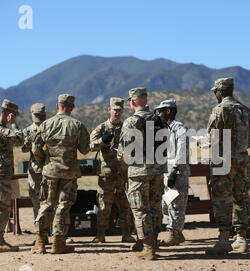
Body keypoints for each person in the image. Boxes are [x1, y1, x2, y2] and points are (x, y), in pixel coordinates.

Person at [31, 94, 90, 254]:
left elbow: (36, 149)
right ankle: (58, 242)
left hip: (50, 171)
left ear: (58, 106)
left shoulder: (46, 125)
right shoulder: (78, 125)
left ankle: (40, 242)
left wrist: (45, 161)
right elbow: (85, 150)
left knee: (46, 205)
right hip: (69, 173)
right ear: (71, 107)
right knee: (63, 207)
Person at [206, 78, 250, 255]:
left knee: (222, 199)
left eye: (215, 92)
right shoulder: (245, 110)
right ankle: (241, 238)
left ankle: (224, 238)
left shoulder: (219, 110)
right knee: (240, 197)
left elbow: (212, 137)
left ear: (220, 91)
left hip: (223, 159)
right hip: (242, 160)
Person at [117, 87, 166, 260]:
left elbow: (125, 153)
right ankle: (153, 241)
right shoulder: (159, 120)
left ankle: (147, 247)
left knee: (140, 209)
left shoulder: (131, 122)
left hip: (138, 171)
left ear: (133, 101)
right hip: (158, 170)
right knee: (155, 207)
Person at [90, 97, 135, 244]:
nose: (117, 112)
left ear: (122, 111)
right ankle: (100, 234)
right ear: (109, 110)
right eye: (114, 109)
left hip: (122, 173)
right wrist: (101, 141)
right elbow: (89, 147)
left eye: (119, 109)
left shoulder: (126, 128)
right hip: (106, 173)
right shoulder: (101, 128)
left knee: (125, 205)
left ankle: (127, 234)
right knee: (104, 204)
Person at [0, 100, 24, 252]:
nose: (14, 118)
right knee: (2, 206)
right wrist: (14, 126)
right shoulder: (1, 130)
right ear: (8, 114)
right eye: (13, 116)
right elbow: (19, 139)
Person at [154, 100, 190, 246]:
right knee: (166, 203)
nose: (158, 114)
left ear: (168, 111)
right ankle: (175, 233)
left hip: (177, 173)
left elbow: (182, 151)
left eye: (160, 111)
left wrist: (174, 171)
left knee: (176, 204)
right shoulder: (164, 129)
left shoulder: (179, 128)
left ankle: (174, 233)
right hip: (166, 172)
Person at [22, 103, 47, 222]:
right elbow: (23, 149)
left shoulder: (49, 127)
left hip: (49, 169)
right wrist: (28, 142)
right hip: (35, 170)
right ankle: (40, 232)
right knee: (36, 201)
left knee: (51, 200)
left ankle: (53, 231)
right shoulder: (27, 130)